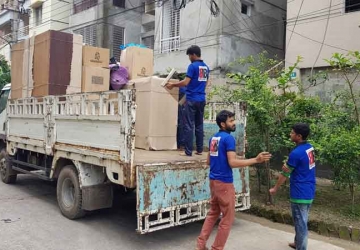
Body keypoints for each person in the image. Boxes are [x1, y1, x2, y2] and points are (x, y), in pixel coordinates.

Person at [196, 110, 272, 250]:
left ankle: (200, 245)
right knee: (227, 218)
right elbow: (232, 162)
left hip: (213, 181)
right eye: (231, 121)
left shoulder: (214, 138)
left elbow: (208, 161)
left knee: (213, 213)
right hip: (224, 183)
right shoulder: (229, 139)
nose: (234, 123)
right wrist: (256, 159)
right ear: (223, 124)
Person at [269, 123, 316, 250]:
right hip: (309, 190)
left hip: (300, 192)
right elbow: (303, 166)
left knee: (301, 223)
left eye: (292, 133)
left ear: (299, 136)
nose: (290, 134)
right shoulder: (309, 148)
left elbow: (285, 174)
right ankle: (298, 242)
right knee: (300, 220)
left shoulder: (296, 153)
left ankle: (301, 247)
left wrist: (275, 188)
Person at [167, 45, 209, 156]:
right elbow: (206, 83)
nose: (189, 58)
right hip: (201, 99)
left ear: (193, 55)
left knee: (189, 125)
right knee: (199, 125)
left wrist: (173, 85)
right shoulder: (206, 67)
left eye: (189, 56)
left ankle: (188, 152)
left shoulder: (192, 66)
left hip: (191, 99)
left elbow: (185, 82)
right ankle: (199, 150)